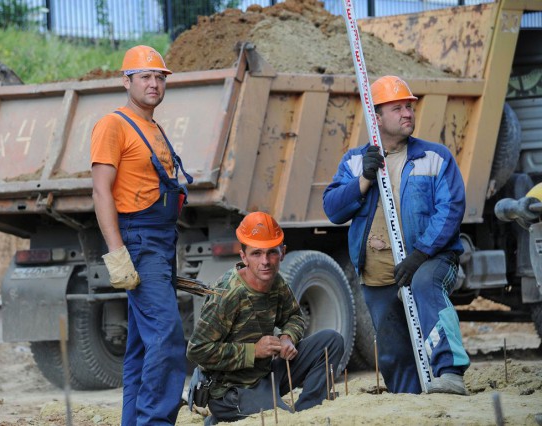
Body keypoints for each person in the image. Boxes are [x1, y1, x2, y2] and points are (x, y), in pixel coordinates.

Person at [323, 76, 470, 395]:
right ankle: (409, 399)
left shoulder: (435, 157)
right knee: (391, 352)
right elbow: (333, 210)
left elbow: (451, 209)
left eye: (409, 107)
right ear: (376, 117)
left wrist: (420, 255)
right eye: (398, 108)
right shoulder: (355, 162)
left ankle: (450, 372)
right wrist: (363, 179)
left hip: (431, 260)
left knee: (424, 285)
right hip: (378, 275)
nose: (408, 113)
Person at [90, 45, 192, 425]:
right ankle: (155, 422)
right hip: (139, 239)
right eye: (145, 77)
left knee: (140, 347)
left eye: (159, 77)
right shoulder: (112, 125)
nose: (154, 84)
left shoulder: (153, 126)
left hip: (162, 240)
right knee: (166, 336)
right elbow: (102, 191)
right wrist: (117, 253)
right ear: (126, 81)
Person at [187, 211, 344, 423]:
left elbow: (294, 317)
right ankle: (221, 417)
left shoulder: (276, 282)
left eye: (271, 253)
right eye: (256, 254)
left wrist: (288, 337)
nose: (265, 261)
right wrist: (254, 350)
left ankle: (307, 411)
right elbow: (197, 350)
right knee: (280, 419)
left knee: (331, 341)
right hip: (230, 391)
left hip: (265, 375)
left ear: (283, 253)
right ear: (243, 257)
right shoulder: (227, 293)